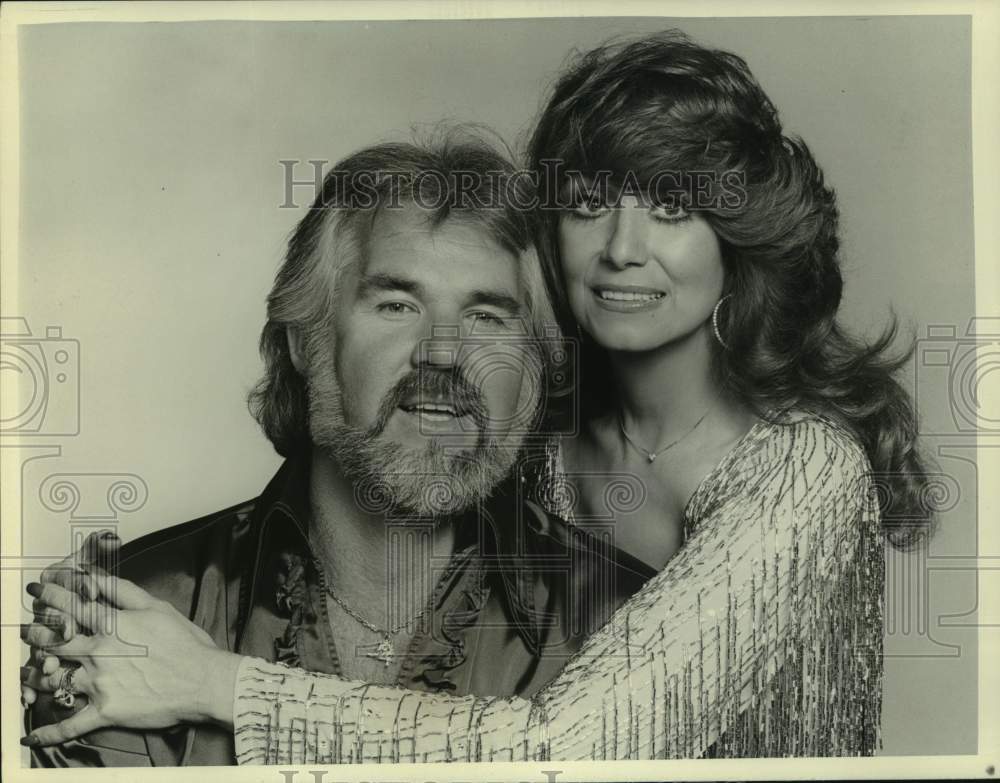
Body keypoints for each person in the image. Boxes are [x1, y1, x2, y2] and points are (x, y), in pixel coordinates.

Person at [22, 30, 934, 760]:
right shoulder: (531, 444)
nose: (621, 248)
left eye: (671, 206)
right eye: (587, 202)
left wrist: (214, 680)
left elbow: (577, 743)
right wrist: (110, 591)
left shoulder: (802, 470)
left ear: (739, 235)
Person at [18, 135, 654, 766]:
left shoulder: (626, 624)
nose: (443, 351)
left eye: (489, 318)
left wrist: (224, 689)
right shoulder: (137, 609)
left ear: (536, 366)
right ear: (306, 341)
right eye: (396, 304)